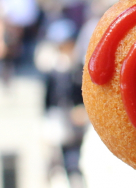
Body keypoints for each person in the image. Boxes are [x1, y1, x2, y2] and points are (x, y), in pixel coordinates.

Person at [37, 19, 87, 188]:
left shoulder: (78, 67)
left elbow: (82, 92)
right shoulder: (53, 68)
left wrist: (82, 109)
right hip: (57, 116)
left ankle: (74, 177)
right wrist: (45, 117)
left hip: (75, 117)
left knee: (73, 153)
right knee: (53, 154)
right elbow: (48, 95)